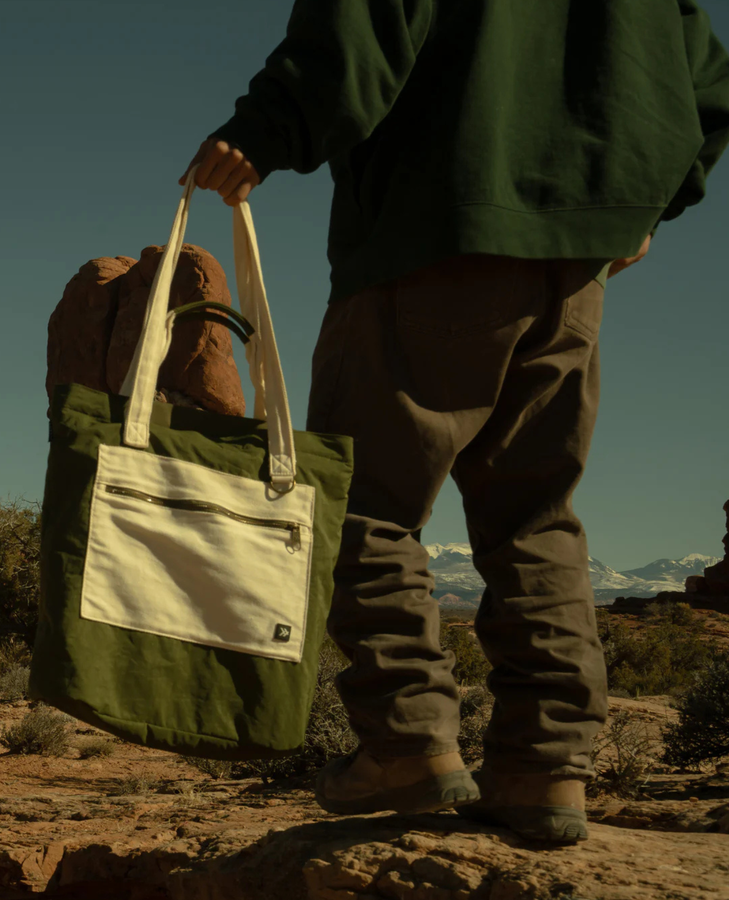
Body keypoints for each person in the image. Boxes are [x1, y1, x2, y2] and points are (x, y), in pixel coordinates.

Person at [179, 0, 729, 844]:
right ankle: (544, 770)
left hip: (435, 230)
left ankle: (406, 744)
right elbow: (710, 88)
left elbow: (359, 28)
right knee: (534, 515)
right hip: (575, 266)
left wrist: (268, 127)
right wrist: (646, 207)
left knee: (361, 503)